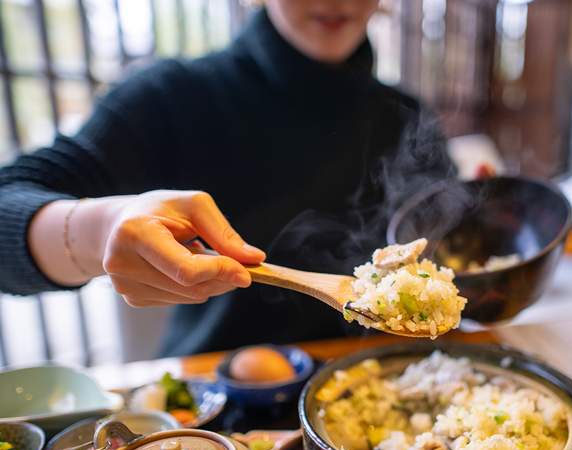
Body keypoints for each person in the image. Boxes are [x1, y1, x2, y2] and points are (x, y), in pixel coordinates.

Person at [0, 0, 453, 357]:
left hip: (389, 387)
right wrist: (96, 230)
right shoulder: (172, 97)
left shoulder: (405, 116)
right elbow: (9, 200)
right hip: (216, 405)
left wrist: (497, 222)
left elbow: (452, 247)